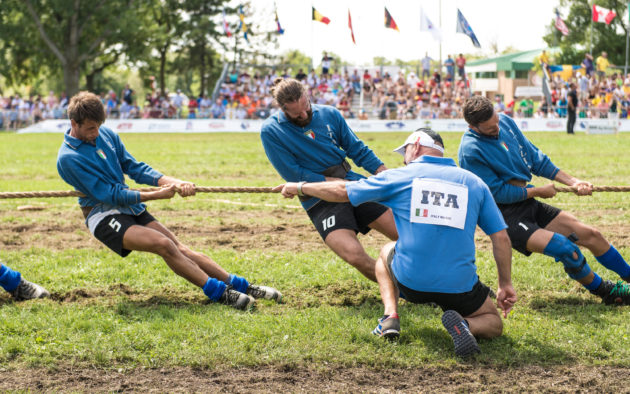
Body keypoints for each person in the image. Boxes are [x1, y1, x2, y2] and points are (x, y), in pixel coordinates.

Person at [274, 129, 516, 357]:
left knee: (387, 250)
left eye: (405, 152)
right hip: (459, 285)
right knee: (493, 323)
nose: (403, 160)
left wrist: (300, 186)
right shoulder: (474, 182)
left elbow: (342, 191)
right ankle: (464, 325)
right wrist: (505, 284)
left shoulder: (401, 176)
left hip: (412, 282)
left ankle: (390, 316)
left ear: (417, 146)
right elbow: (501, 237)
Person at [57, 91, 281, 310]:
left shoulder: (106, 134)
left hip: (130, 207)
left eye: (98, 126)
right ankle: (220, 293)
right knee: (163, 244)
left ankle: (244, 286)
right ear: (74, 123)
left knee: (180, 248)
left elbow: (133, 167)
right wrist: (156, 194)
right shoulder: (68, 159)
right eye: (90, 128)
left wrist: (173, 181)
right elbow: (110, 194)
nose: (96, 133)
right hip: (103, 215)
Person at [458, 95, 630, 305]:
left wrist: (573, 182)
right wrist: (537, 191)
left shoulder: (504, 121)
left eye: (496, 122)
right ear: (473, 126)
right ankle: (608, 292)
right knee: (567, 249)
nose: (497, 129)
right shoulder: (470, 150)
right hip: (504, 216)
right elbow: (497, 193)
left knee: (592, 235)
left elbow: (535, 159)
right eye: (490, 129)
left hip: (527, 202)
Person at [260, 78, 398, 282]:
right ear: (283, 109)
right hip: (316, 198)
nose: (304, 115)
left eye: (306, 107)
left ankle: (426, 281)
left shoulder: (330, 113)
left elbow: (357, 149)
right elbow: (294, 174)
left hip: (352, 183)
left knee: (402, 233)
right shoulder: (271, 131)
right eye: (296, 114)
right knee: (354, 255)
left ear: (308, 96)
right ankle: (403, 289)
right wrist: (328, 181)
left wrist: (384, 174)